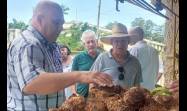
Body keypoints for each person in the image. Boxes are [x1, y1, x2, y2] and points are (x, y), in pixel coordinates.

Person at [7, 1, 113, 110]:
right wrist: (81, 75)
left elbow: (56, 81)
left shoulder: (53, 45)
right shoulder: (27, 43)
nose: (61, 28)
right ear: (39, 20)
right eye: (56, 22)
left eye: (62, 23)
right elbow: (32, 83)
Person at [90, 23, 142, 89]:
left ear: (128, 42)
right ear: (112, 42)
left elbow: (137, 86)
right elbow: (92, 80)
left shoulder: (135, 62)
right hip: (104, 98)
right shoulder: (102, 58)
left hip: (128, 99)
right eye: (116, 41)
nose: (120, 44)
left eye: (123, 40)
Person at [71, 30, 100, 97]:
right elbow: (72, 78)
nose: (91, 44)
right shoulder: (78, 58)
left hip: (98, 98)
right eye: (88, 42)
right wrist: (74, 93)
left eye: (93, 41)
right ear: (84, 44)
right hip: (81, 96)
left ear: (97, 42)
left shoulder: (102, 57)